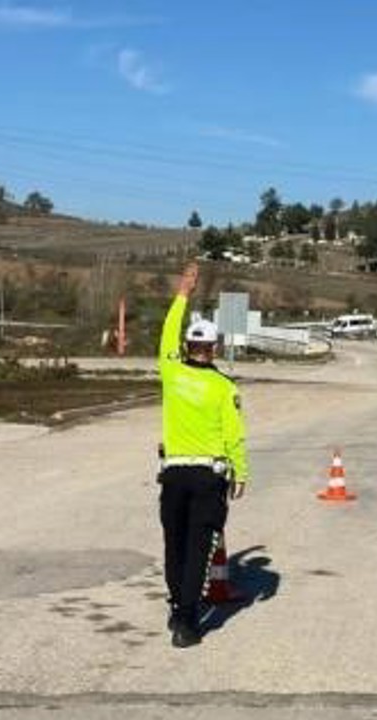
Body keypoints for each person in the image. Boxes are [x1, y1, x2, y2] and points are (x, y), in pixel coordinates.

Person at [157, 262, 249, 648]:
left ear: (185, 347)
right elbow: (234, 434)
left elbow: (166, 333)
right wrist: (241, 472)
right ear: (213, 348)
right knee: (199, 550)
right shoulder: (224, 387)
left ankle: (177, 607)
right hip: (209, 478)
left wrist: (183, 293)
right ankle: (189, 621)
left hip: (174, 475)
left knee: (174, 546)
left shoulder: (171, 370)